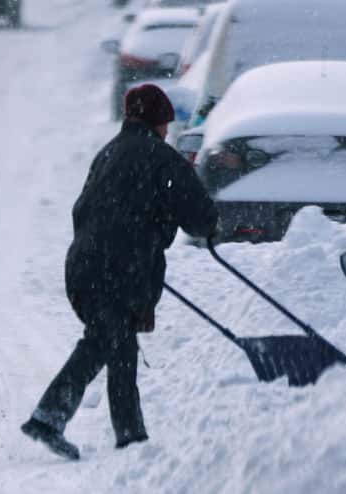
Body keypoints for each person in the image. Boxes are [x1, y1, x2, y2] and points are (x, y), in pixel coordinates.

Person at [21, 84, 218, 460]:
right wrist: (209, 227)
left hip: (87, 265)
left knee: (119, 344)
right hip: (118, 269)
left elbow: (84, 208)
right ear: (158, 122)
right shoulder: (161, 158)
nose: (166, 131)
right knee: (104, 341)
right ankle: (48, 417)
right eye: (165, 124)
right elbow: (199, 214)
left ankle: (130, 436)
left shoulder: (108, 153)